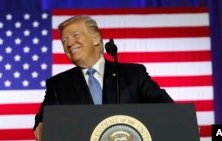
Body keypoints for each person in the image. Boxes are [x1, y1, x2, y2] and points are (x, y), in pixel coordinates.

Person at [33, 15, 174, 141]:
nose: (69, 43)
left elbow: (166, 107)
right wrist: (42, 124)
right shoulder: (58, 84)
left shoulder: (133, 74)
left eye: (75, 35)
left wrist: (180, 121)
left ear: (95, 38)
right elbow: (44, 118)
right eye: (64, 40)